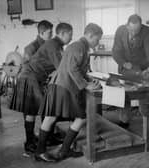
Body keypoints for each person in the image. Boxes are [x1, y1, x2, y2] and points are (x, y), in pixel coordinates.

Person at [34, 23, 103, 162]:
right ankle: (61, 151)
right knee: (80, 117)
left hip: (60, 85)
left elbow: (79, 69)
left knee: (51, 118)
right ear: (90, 35)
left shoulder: (81, 47)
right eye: (97, 39)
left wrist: (89, 80)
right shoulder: (78, 46)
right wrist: (86, 86)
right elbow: (72, 69)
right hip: (63, 86)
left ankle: (45, 151)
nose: (98, 42)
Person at [10, 23, 73, 156]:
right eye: (70, 34)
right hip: (30, 77)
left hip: (36, 78)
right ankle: (29, 144)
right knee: (31, 112)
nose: (71, 38)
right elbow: (62, 68)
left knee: (34, 112)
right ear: (62, 34)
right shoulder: (52, 45)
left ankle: (39, 141)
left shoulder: (56, 45)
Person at [113, 14, 149, 128]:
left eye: (137, 31)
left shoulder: (147, 31)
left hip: (142, 69)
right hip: (125, 69)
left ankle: (146, 121)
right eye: (132, 30)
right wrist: (123, 63)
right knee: (124, 94)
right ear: (127, 26)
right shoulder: (120, 30)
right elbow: (116, 51)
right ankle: (124, 121)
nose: (134, 33)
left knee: (144, 94)